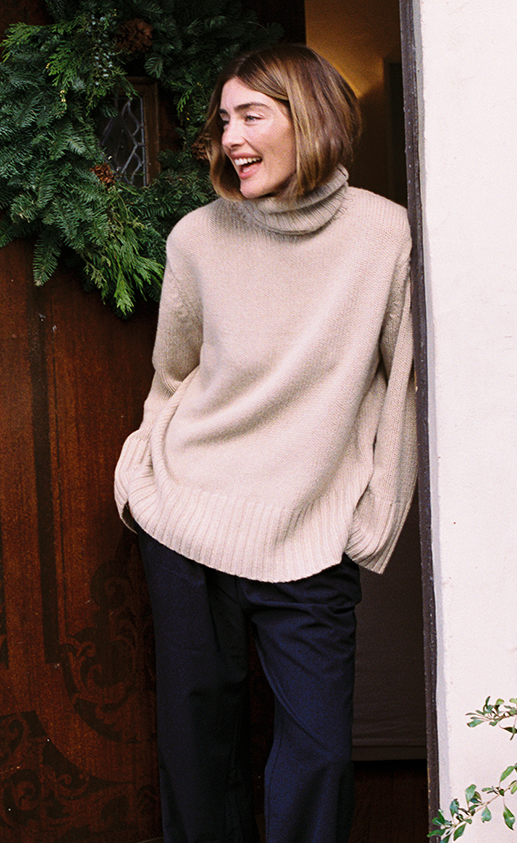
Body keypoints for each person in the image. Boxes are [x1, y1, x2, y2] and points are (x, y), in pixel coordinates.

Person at [114, 44, 417, 843]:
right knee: (197, 752)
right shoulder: (198, 239)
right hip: (187, 522)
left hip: (311, 537)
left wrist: (371, 521)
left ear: (308, 118)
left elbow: (404, 388)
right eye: (224, 120)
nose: (231, 137)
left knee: (318, 756)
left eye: (252, 115)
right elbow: (173, 374)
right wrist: (143, 473)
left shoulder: (384, 237)